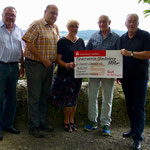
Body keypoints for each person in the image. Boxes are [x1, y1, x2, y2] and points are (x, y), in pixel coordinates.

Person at [22, 4, 59, 138]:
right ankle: (33, 126)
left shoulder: (55, 27)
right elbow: (29, 44)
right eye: (52, 13)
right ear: (45, 12)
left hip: (49, 67)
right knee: (34, 96)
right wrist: (43, 59)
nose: (54, 16)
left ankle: (41, 122)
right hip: (35, 65)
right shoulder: (36, 24)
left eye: (56, 14)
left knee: (44, 95)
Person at [83, 15, 120, 136]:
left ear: (109, 22)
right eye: (100, 22)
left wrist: (116, 73)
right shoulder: (93, 36)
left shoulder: (116, 37)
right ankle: (92, 121)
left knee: (107, 98)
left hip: (108, 74)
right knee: (92, 97)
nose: (102, 24)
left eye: (104, 22)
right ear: (98, 23)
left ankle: (105, 124)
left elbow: (119, 57)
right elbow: (86, 53)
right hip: (93, 71)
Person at [120, 14, 150, 150]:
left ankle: (138, 138)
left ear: (138, 23)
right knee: (130, 106)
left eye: (134, 22)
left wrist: (131, 53)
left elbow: (148, 54)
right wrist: (116, 73)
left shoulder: (145, 35)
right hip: (126, 78)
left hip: (140, 77)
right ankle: (133, 129)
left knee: (138, 108)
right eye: (129, 21)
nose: (131, 24)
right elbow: (118, 58)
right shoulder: (122, 38)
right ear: (125, 23)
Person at [50, 19, 85, 132]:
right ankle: (66, 121)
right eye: (72, 26)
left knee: (74, 98)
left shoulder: (81, 41)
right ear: (67, 27)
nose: (74, 28)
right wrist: (66, 65)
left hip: (78, 75)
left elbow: (84, 58)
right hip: (65, 75)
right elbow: (57, 60)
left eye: (76, 26)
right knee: (67, 99)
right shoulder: (62, 41)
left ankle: (72, 120)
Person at [0, 6, 24, 141]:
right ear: (2, 14)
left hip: (14, 67)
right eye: (8, 14)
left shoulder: (19, 30)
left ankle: (8, 125)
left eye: (13, 15)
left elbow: (21, 49)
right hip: (1, 66)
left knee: (11, 98)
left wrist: (22, 65)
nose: (10, 17)